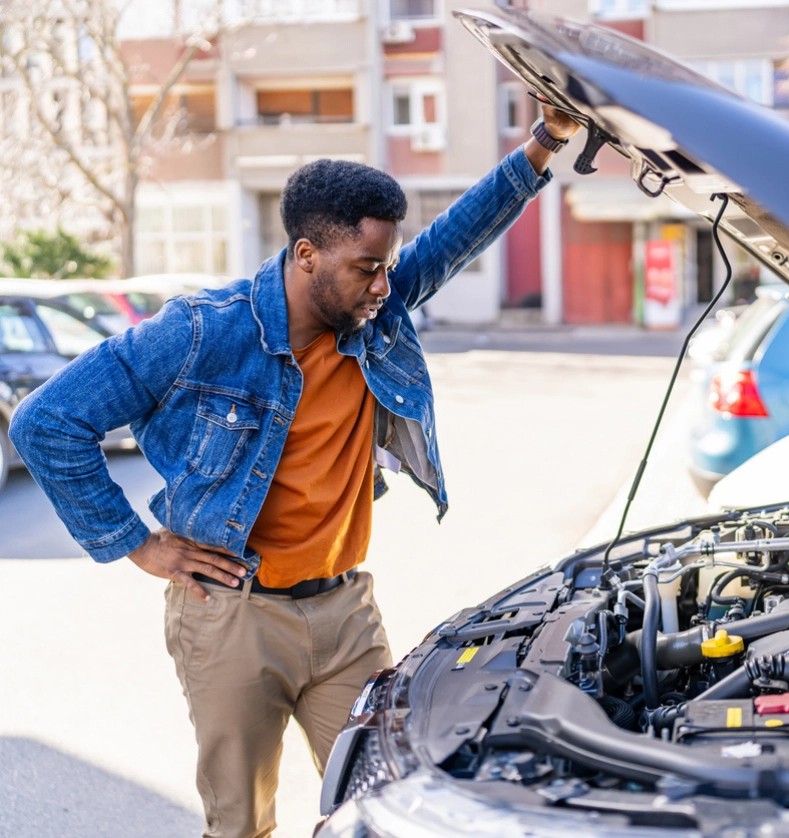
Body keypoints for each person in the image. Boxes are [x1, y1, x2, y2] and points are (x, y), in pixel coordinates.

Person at [10, 107, 580, 837]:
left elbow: (457, 236)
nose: (382, 286)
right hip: (234, 616)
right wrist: (136, 543)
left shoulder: (378, 311)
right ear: (307, 253)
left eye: (386, 267)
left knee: (390, 802)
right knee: (241, 822)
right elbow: (47, 422)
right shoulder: (203, 331)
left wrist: (545, 140)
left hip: (345, 614)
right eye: (365, 269)